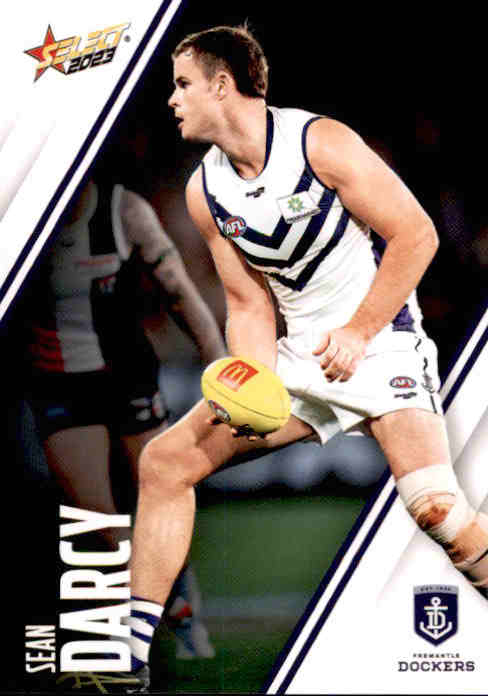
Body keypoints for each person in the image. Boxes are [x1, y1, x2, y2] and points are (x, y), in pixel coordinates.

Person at [124, 25, 488, 691]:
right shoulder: (206, 192)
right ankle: (127, 663)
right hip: (301, 357)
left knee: (439, 513)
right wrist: (254, 381)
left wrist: (358, 331)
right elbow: (248, 303)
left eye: (182, 84)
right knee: (165, 463)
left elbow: (416, 235)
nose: (171, 99)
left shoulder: (321, 142)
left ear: (222, 85)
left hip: (383, 340)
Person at [19, 178, 225, 682]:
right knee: (101, 526)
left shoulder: (124, 210)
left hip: (129, 375)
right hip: (59, 384)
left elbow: (179, 291)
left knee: (161, 498)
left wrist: (220, 364)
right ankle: (128, 647)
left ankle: (181, 600)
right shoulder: (18, 216)